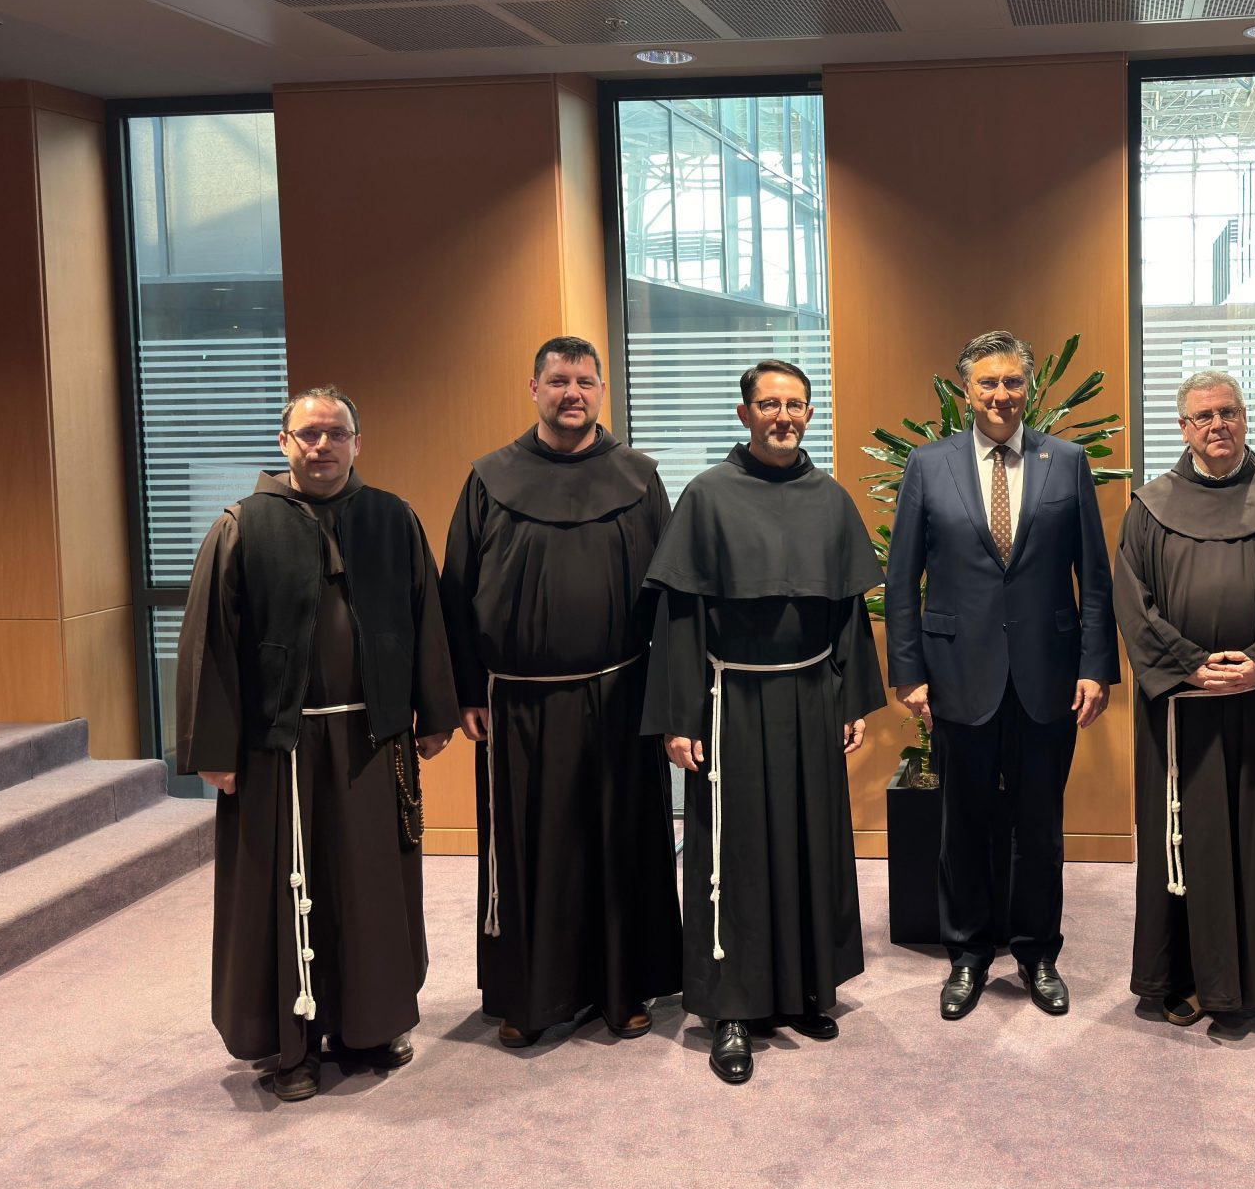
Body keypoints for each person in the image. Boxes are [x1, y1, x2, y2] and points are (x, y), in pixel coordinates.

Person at [176, 385, 460, 1103]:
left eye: (336, 433)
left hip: (372, 739)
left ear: (358, 442)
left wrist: (434, 712)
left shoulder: (393, 519)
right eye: (309, 434)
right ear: (285, 443)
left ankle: (372, 1027)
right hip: (280, 749)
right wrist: (215, 748)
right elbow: (211, 643)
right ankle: (291, 1045)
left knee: (372, 888)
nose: (322, 445)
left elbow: (426, 616)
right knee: (285, 892)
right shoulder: (242, 527)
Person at [641, 359, 883, 1084]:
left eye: (796, 405)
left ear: (809, 414)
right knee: (734, 852)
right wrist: (680, 716)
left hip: (810, 695)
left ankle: (806, 987)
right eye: (770, 404)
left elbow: (847, 612)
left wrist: (849, 698)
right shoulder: (707, 496)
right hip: (731, 700)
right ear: (744, 413)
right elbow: (681, 615)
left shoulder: (830, 498)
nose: (784, 416)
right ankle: (732, 1007)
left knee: (811, 841)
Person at [440, 335, 681, 1048]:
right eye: (557, 381)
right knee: (533, 853)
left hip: (619, 695)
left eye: (584, 381)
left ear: (601, 390)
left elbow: (672, 597)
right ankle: (529, 996)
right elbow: (456, 592)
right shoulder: (490, 479)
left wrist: (669, 697)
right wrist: (467, 691)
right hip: (519, 703)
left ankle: (623, 989)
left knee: (618, 846)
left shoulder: (639, 478)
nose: (571, 393)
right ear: (534, 389)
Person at [885, 329, 1117, 1021]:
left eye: (1013, 381)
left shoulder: (1066, 461)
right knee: (964, 824)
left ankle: (1038, 952)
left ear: (1028, 388)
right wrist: (908, 672)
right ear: (966, 391)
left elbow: (1094, 576)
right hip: (958, 674)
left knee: (1040, 825)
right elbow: (902, 579)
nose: (1001, 394)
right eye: (987, 382)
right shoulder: (929, 465)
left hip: (1048, 676)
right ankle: (968, 954)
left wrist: (1096, 667)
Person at [1113, 372, 1255, 1037]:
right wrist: (1189, 664)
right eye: (1204, 416)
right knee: (1193, 838)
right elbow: (1132, 599)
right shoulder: (1150, 506)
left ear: (1245, 418)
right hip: (1187, 706)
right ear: (1183, 428)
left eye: (1229, 412)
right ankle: (1187, 976)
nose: (1218, 425)